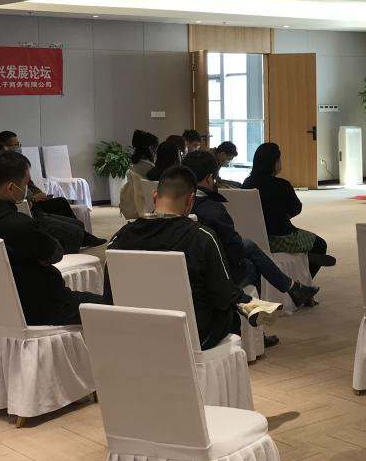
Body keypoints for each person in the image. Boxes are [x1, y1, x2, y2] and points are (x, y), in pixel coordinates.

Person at [0, 151, 106, 324]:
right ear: (11, 188)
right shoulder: (17, 224)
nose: (26, 189)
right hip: (43, 306)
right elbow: (55, 254)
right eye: (25, 183)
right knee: (111, 307)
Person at [105, 166, 241, 350]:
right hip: (193, 336)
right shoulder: (202, 238)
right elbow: (223, 296)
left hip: (134, 332)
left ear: (154, 196)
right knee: (230, 313)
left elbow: (109, 295)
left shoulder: (120, 238)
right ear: (190, 200)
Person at [183, 149, 318, 323]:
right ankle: (261, 326)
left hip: (184, 276)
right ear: (210, 178)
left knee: (249, 246)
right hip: (216, 277)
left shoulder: (178, 207)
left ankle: (293, 288)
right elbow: (234, 249)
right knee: (251, 263)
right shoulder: (213, 210)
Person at [0, 131, 104, 248]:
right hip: (28, 205)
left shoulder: (17, 163)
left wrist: (39, 194)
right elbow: (16, 195)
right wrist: (33, 198)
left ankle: (83, 236)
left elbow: (30, 184)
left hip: (33, 201)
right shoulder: (4, 168)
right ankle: (78, 237)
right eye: (15, 145)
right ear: (4, 146)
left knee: (61, 202)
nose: (18, 148)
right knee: (74, 227)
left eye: (19, 144)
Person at [241, 142, 334, 277]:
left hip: (256, 237)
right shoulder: (282, 185)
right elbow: (296, 208)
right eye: (279, 160)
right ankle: (303, 279)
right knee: (320, 245)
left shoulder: (247, 183)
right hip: (280, 239)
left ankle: (299, 263)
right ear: (274, 163)